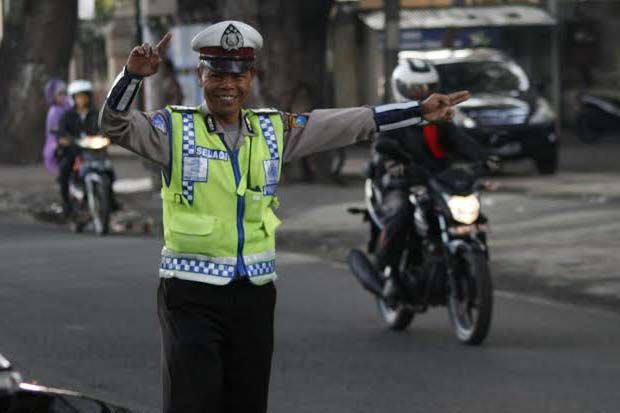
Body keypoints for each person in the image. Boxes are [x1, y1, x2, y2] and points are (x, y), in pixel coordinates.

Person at [99, 21, 469, 413]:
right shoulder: (173, 128)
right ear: (202, 76)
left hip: (255, 292)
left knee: (248, 401)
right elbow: (114, 125)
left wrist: (417, 111)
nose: (229, 84)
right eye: (218, 74)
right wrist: (131, 79)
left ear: (252, 78)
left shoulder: (273, 130)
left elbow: (348, 122)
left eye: (239, 75)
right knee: (192, 401)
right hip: (191, 292)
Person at [372, 58, 499, 300]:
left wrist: (485, 157)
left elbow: (460, 141)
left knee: (469, 212)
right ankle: (387, 270)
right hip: (400, 182)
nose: (424, 93)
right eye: (416, 89)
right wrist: (393, 163)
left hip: (437, 178)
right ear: (401, 88)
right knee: (402, 213)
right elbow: (381, 145)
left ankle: (468, 264)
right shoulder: (393, 116)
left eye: (429, 87)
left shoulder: (440, 118)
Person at [57, 80, 102, 217]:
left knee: (108, 171)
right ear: (73, 99)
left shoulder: (96, 114)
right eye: (78, 97)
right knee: (65, 170)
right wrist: (66, 140)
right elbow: (62, 133)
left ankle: (110, 201)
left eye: (84, 96)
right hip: (73, 152)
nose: (82, 100)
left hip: (93, 152)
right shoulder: (67, 116)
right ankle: (66, 204)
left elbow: (104, 129)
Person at [43, 79, 70, 174]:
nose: (63, 97)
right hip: (56, 142)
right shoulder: (53, 112)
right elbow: (54, 130)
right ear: (53, 96)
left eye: (64, 94)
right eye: (60, 94)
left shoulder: (68, 106)